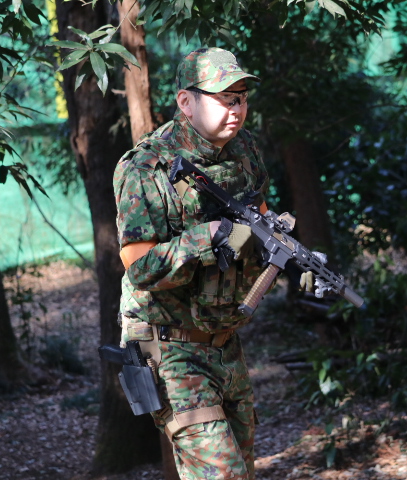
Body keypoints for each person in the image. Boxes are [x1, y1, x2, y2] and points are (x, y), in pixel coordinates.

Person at [113, 47, 284, 480]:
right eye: (224, 98)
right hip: (169, 344)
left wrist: (277, 245)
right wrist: (202, 240)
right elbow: (139, 267)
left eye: (241, 98)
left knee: (241, 470)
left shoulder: (244, 150)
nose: (236, 109)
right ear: (186, 102)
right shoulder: (145, 168)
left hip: (223, 339)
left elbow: (258, 216)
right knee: (223, 474)